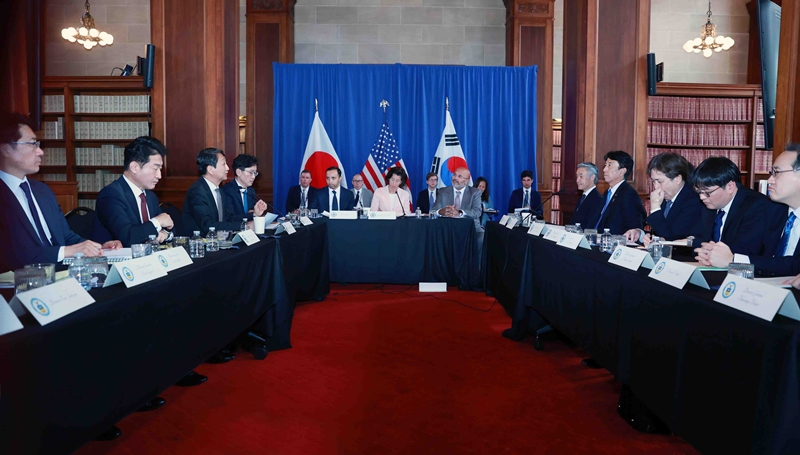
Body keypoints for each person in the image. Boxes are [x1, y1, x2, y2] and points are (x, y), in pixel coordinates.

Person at [0, 112, 122, 272]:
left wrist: (96, 247)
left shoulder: (42, 191)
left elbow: (66, 237)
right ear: (6, 149)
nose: (40, 151)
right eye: (32, 144)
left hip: (62, 278)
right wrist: (66, 251)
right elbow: (10, 256)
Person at [696, 147, 800, 275]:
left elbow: (795, 265)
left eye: (777, 173)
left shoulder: (759, 206)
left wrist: (733, 260)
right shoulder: (776, 211)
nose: (769, 180)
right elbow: (761, 256)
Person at [690, 156, 784, 260]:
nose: (702, 197)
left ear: (730, 186)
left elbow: (744, 251)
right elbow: (700, 239)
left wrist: (707, 250)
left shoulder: (756, 206)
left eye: (707, 192)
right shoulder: (710, 204)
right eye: (699, 192)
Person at [94, 136, 174, 247]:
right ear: (134, 167)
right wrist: (157, 222)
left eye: (160, 169)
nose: (159, 176)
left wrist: (165, 233)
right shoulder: (111, 195)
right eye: (155, 169)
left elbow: (168, 226)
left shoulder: (150, 197)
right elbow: (128, 237)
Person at [624, 152, 706, 243]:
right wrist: (640, 234)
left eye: (660, 181)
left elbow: (670, 238)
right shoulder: (666, 198)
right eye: (653, 182)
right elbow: (659, 233)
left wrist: (655, 209)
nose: (656, 187)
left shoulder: (693, 201)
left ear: (677, 179)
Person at [183, 148, 251, 235]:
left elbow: (228, 218)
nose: (227, 168)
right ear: (210, 169)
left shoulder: (219, 191)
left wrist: (253, 216)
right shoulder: (197, 191)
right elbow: (208, 225)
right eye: (223, 164)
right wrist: (244, 226)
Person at [433, 166, 484, 253]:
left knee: (481, 236)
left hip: (470, 228)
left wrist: (459, 212)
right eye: (454, 175)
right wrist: (442, 211)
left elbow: (477, 212)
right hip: (448, 228)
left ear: (466, 181)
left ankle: (475, 266)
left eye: (459, 176)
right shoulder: (442, 191)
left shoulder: (475, 193)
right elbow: (434, 211)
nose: (455, 178)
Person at [594, 150, 646, 235]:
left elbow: (634, 228)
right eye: (605, 165)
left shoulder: (629, 194)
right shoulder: (607, 193)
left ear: (622, 171)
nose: (604, 169)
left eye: (609, 165)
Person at [221, 154, 268, 222]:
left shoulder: (251, 191)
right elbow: (230, 218)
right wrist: (253, 214)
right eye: (251, 172)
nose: (253, 177)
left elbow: (251, 211)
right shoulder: (227, 191)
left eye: (255, 173)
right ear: (238, 172)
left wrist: (258, 210)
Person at [570, 162, 603, 228]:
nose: (577, 180)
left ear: (592, 177)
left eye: (581, 176)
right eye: (577, 176)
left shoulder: (597, 199)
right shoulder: (582, 197)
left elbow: (590, 225)